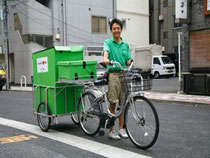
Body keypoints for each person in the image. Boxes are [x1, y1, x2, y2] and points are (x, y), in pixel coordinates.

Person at [103, 18, 132, 140]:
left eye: (118, 28)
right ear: (111, 30)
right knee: (113, 102)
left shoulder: (125, 45)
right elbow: (106, 53)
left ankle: (121, 129)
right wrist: (106, 59)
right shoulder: (108, 43)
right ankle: (111, 129)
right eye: (114, 28)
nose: (116, 30)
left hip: (124, 74)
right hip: (114, 74)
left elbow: (127, 60)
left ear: (121, 30)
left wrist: (130, 61)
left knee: (123, 103)